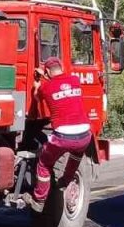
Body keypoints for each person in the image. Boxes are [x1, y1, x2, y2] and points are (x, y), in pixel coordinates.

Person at [24, 57, 91, 212]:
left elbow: (36, 97)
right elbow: (62, 84)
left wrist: (38, 83)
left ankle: (39, 200)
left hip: (63, 137)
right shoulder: (75, 80)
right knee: (76, 154)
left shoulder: (45, 87)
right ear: (61, 67)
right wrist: (47, 76)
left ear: (47, 71)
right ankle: (65, 181)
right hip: (85, 135)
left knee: (44, 163)